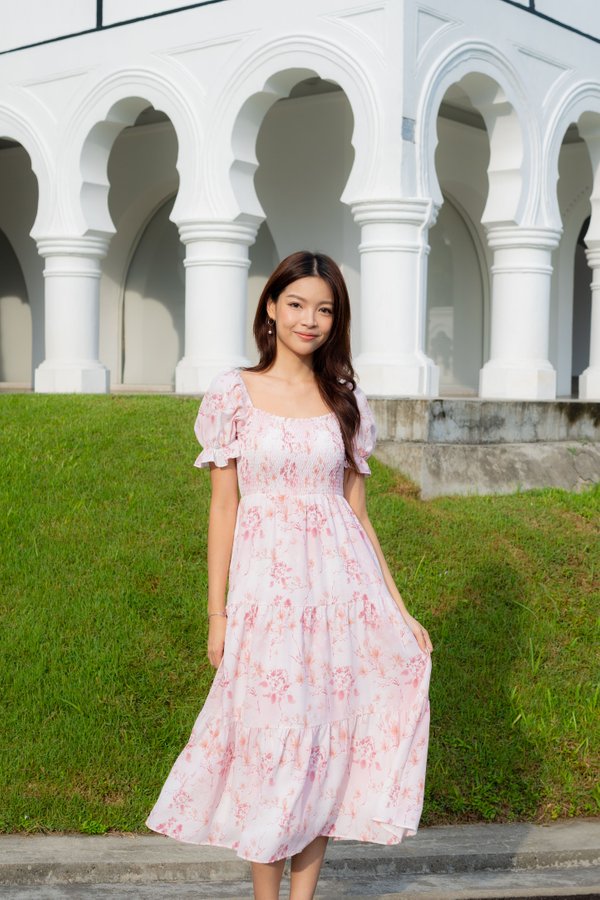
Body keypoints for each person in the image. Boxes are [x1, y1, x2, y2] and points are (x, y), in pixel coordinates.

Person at [145, 250, 433, 900]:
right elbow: (225, 507)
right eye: (298, 303)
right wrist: (217, 614)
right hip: (267, 600)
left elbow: (356, 512)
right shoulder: (234, 392)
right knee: (270, 742)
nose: (311, 319)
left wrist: (399, 607)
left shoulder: (345, 399)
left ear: (337, 320)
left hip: (340, 596)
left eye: (325, 309)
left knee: (322, 747)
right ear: (271, 307)